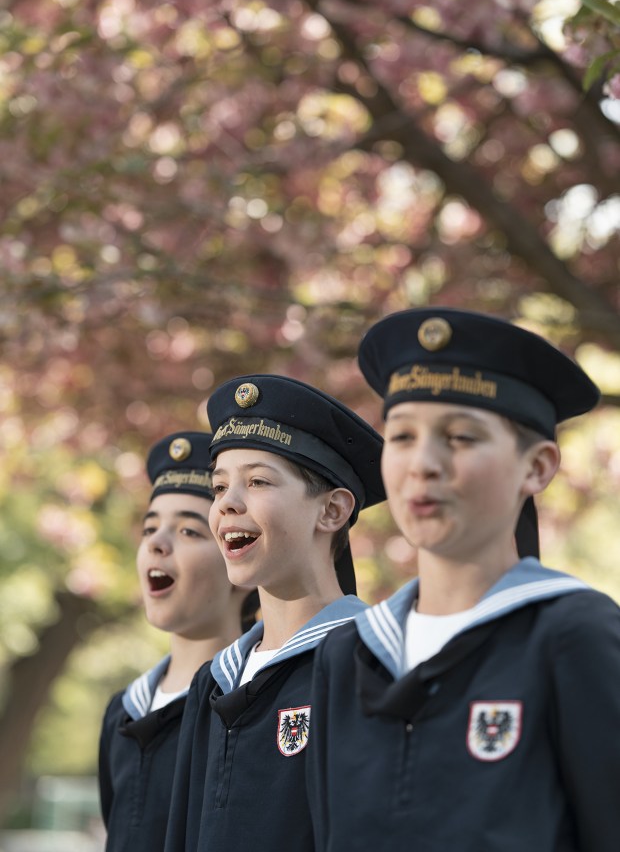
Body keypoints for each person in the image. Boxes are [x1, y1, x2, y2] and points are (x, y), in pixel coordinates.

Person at [307, 307, 620, 852]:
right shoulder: (347, 653)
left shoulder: (574, 633)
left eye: (460, 437)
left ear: (538, 467)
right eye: (402, 436)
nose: (422, 463)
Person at [163, 375, 386, 852]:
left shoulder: (372, 663)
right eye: (219, 486)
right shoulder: (214, 682)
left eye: (258, 481)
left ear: (332, 511)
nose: (227, 504)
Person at [98, 430, 258, 852]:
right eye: (150, 528)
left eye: (189, 531)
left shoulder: (250, 706)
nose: (157, 543)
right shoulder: (122, 712)